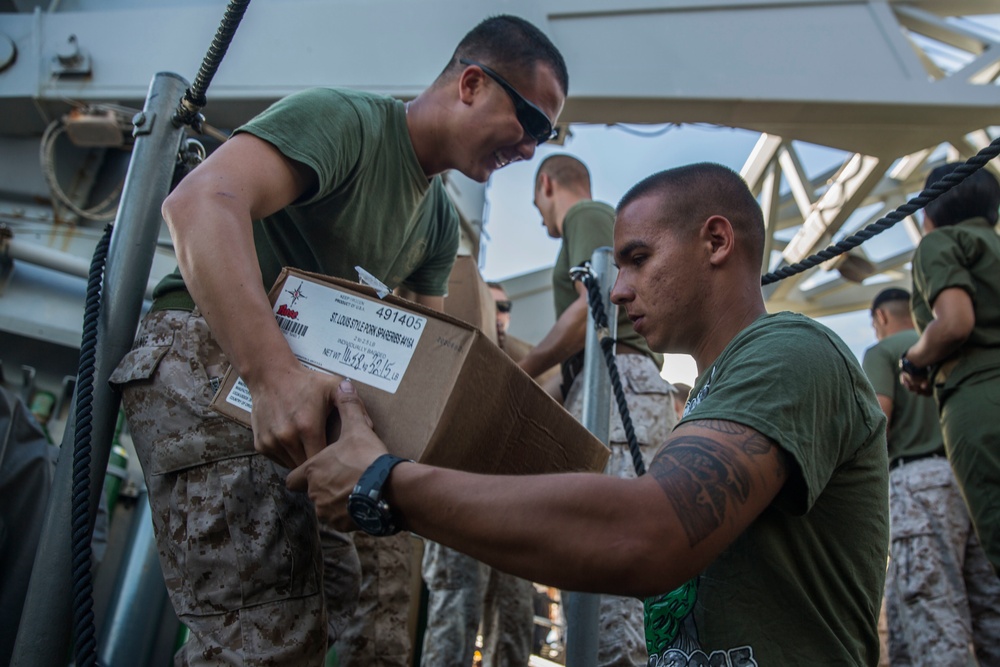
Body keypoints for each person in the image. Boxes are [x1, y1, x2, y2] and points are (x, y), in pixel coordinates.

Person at [289, 163, 890, 665]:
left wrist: (383, 482)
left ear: (716, 241)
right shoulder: (713, 393)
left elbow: (647, 535)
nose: (619, 290)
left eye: (636, 258)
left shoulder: (790, 350)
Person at [110, 14, 567, 666]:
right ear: (471, 83)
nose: (530, 149)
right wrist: (271, 377)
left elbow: (414, 362)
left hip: (305, 387)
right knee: (265, 626)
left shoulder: (437, 222)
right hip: (210, 350)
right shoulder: (348, 122)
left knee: (361, 599)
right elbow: (200, 202)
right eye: (531, 123)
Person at [518, 154, 677, 665]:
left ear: (547, 184)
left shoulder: (585, 214)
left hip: (618, 383)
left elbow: (595, 301)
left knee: (611, 552)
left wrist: (524, 369)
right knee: (596, 557)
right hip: (609, 383)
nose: (542, 218)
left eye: (537, 203)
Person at [863, 287, 1000, 665]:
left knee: (932, 614)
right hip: (971, 478)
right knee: (989, 609)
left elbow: (878, 421)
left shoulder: (885, 352)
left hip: (918, 485)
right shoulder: (952, 346)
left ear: (881, 318)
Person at [421, 280, 536, 667]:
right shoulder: (453, 350)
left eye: (506, 308)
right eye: (493, 306)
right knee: (453, 624)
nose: (501, 315)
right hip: (458, 507)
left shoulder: (526, 358)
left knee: (513, 629)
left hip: (516, 516)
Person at [900, 163, 1000, 575]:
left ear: (928, 213)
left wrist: (914, 362)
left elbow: (955, 323)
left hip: (980, 403)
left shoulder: (940, 242)